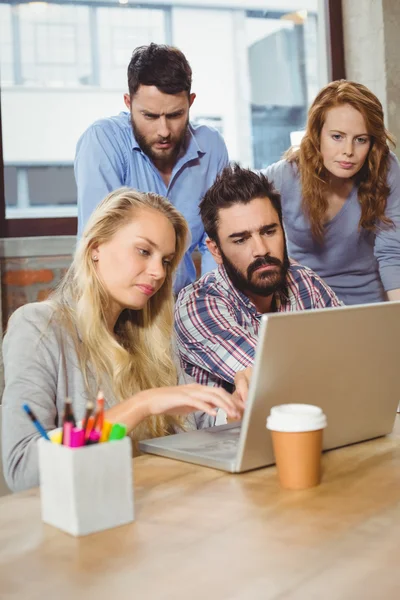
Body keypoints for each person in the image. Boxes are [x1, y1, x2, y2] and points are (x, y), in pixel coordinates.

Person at [1, 188, 245, 493]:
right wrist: (142, 404)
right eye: (144, 251)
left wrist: (236, 408)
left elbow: (196, 425)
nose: (157, 272)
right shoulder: (38, 327)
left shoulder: (152, 335)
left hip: (160, 511)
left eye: (166, 260)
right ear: (95, 247)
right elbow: (22, 470)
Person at [75, 43, 229, 294]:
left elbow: (216, 239)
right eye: (150, 116)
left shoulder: (211, 147)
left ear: (191, 103)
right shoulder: (102, 142)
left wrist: (210, 302)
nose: (164, 131)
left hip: (182, 306)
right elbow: (100, 246)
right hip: (117, 305)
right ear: (128, 103)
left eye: (175, 115)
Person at [174, 165, 342, 390]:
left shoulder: (305, 282)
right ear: (215, 250)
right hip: (230, 426)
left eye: (269, 231)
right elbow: (272, 379)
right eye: (241, 240)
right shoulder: (197, 304)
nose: (261, 250)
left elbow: (354, 351)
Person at [263, 80, 400, 305]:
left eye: (361, 140)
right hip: (305, 305)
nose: (348, 151)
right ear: (317, 134)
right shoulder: (284, 176)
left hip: (369, 305)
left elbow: (392, 253)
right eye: (337, 137)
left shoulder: (384, 169)